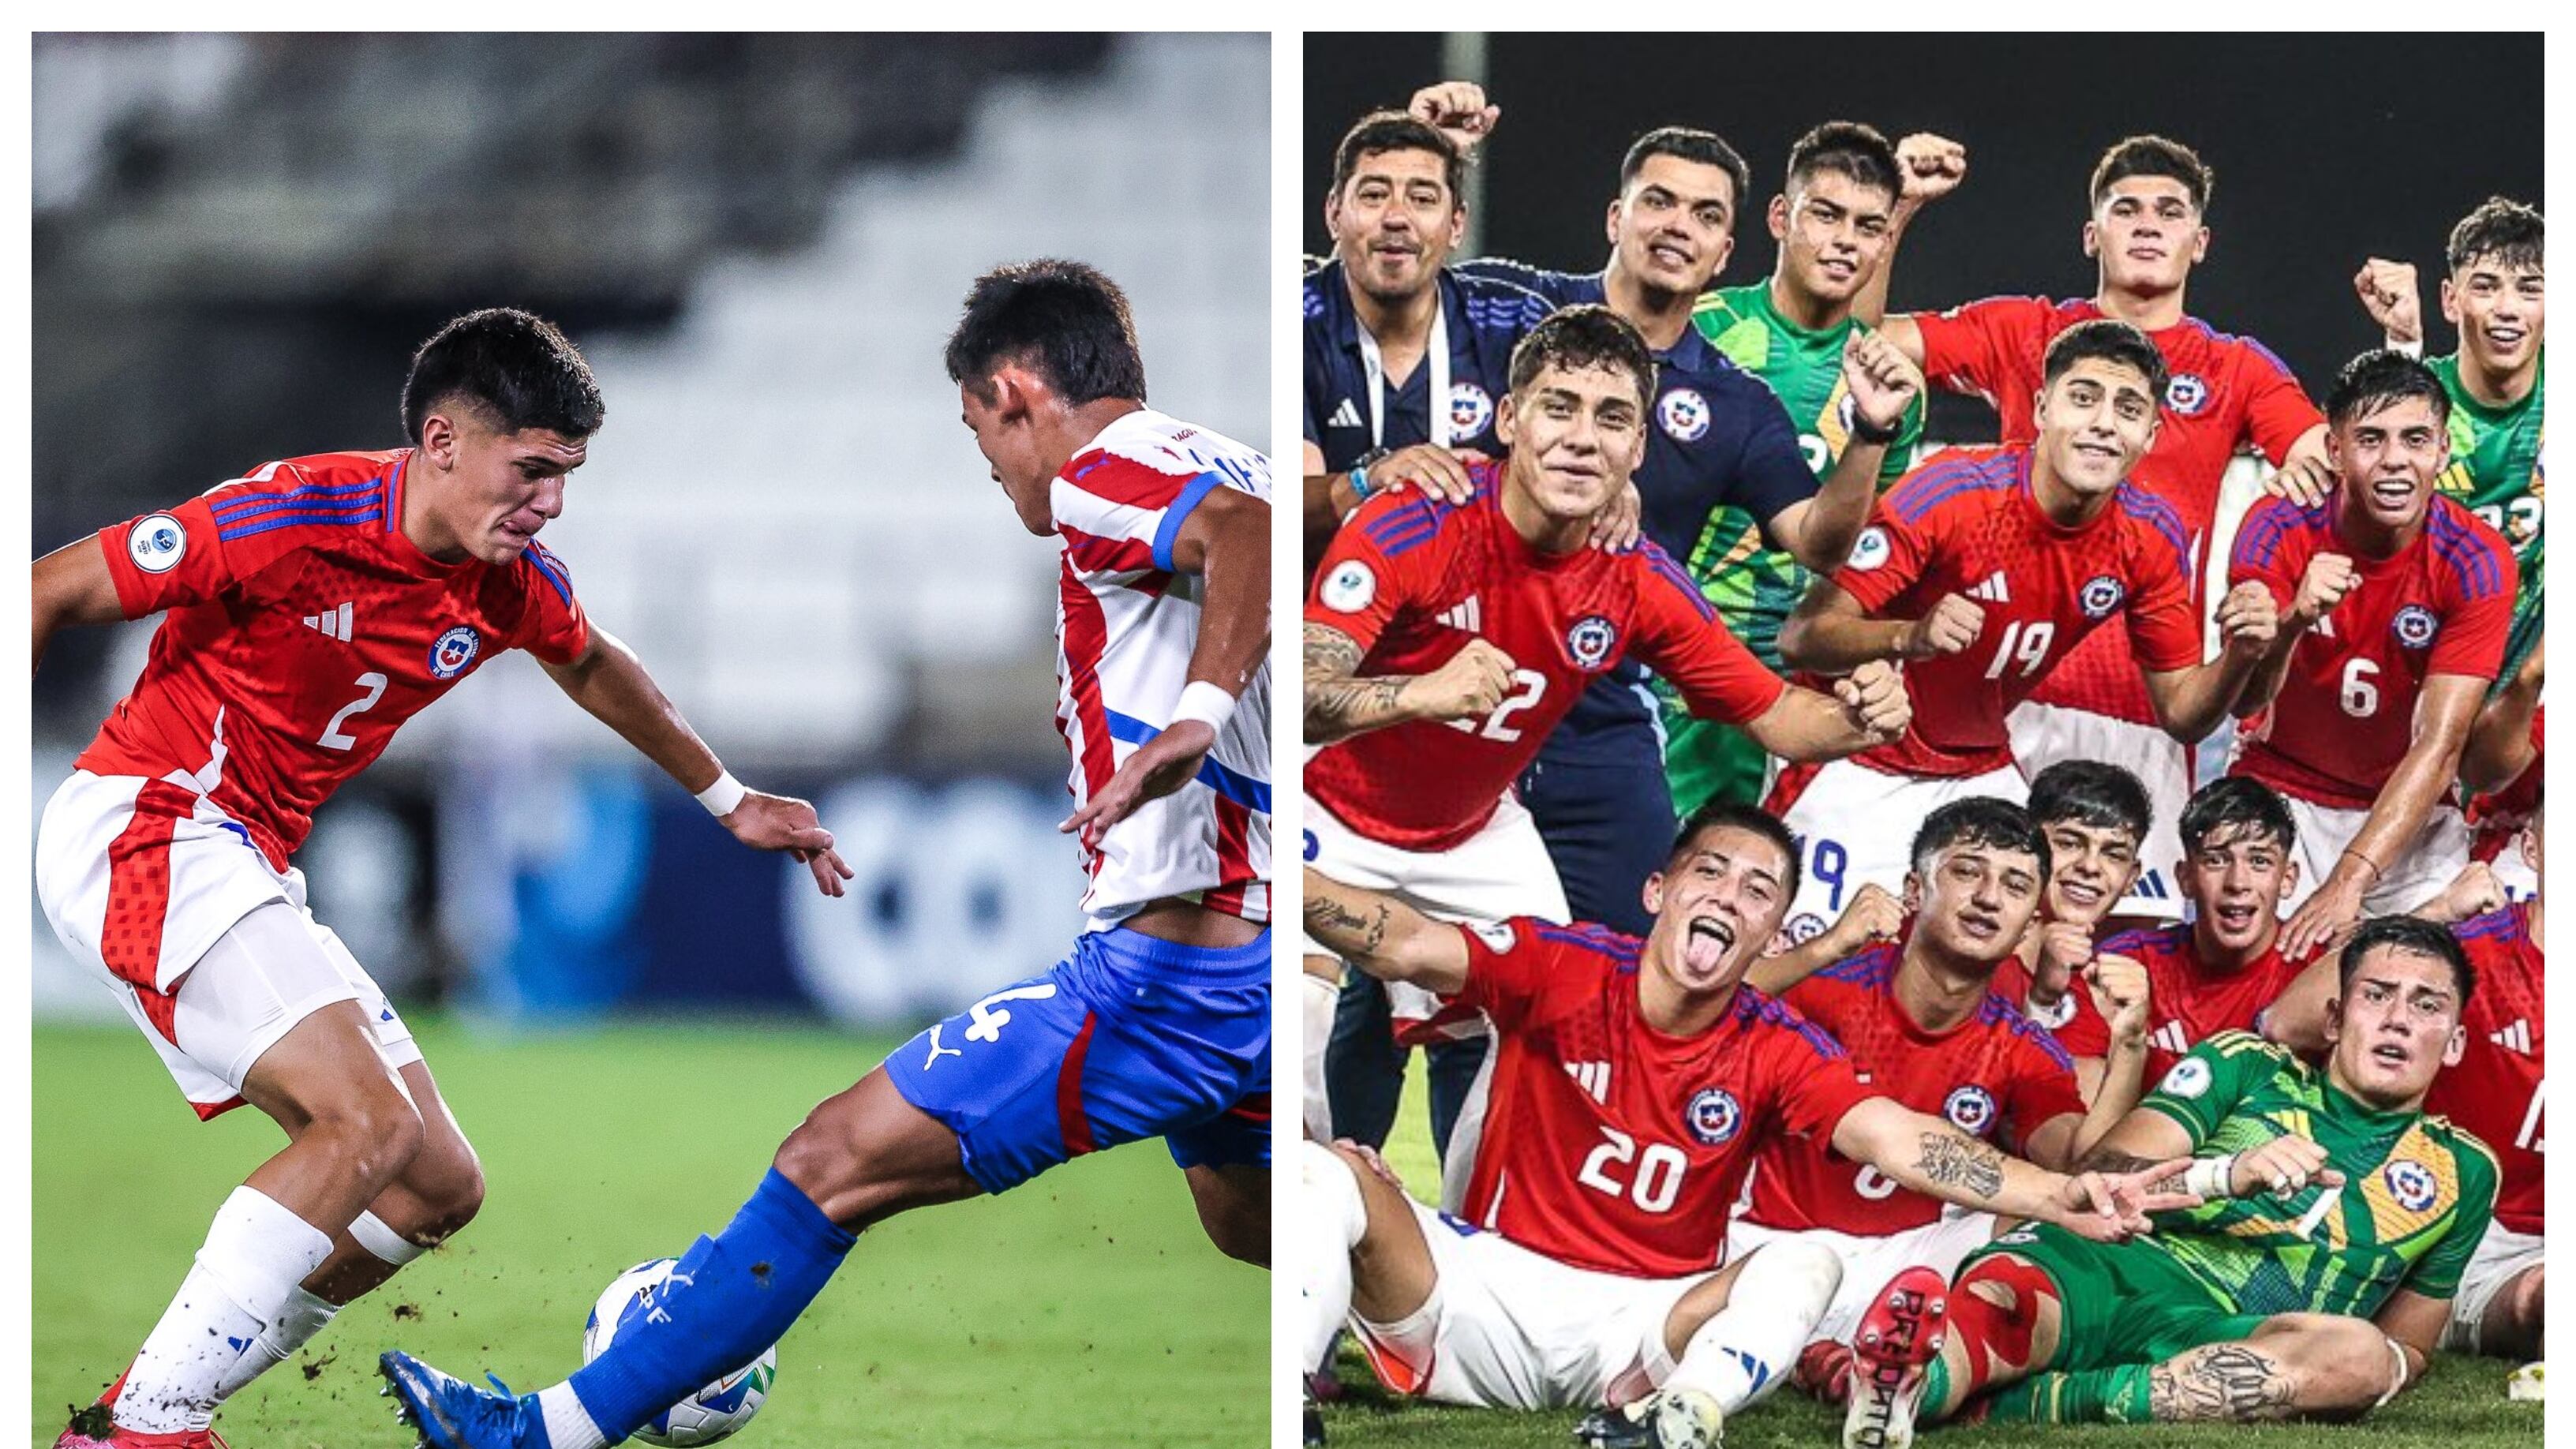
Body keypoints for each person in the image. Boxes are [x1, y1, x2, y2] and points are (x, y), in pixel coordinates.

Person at [382, 261, 1274, 1448]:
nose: (996, 470)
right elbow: (1257, 533)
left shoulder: (1111, 471)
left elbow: (1243, 539)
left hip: (1175, 974)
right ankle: (1453, 1302)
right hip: (1267, 952)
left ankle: (536, 1433)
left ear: (1014, 394)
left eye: (980, 437)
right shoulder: (1232, 455)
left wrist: (1198, 715)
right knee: (1253, 1217)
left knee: (831, 1157)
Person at [31, 309, 850, 1449]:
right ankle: (148, 1428)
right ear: (444, 440)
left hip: (242, 854)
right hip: (147, 822)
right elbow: (47, 591)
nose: (549, 502)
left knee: (431, 1185)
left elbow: (597, 665)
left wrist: (729, 797)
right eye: (532, 469)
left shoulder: (504, 582)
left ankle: (145, 1407)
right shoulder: (289, 515)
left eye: (565, 476)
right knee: (360, 1118)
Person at [1298, 803, 2184, 1449]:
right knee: (1322, 1175)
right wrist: (1274, 866)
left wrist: (2065, 1195)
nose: (1730, 895)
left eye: (1760, 890)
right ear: (1659, 888)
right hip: (1482, 1293)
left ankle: (1682, 1422)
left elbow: (1904, 1139)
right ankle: (1291, 1399)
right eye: (1711, 871)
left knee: (1808, 1260)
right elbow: (1403, 941)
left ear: (1770, 932)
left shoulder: (1781, 1045)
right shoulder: (1558, 962)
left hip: (1645, 1330)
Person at [1302, 304, 1908, 1191]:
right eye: (1559, 407)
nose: (1583, 439)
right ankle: (1313, 1273)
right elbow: (1311, 699)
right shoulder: (1417, 520)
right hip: (1327, 812)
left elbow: (1780, 715)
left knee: (1551, 1034)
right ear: (1509, 421)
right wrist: (1425, 694)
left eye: (1613, 418)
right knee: (1301, 1033)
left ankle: (1470, 1259)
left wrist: (1860, 714)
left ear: (1638, 454)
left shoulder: (1636, 578)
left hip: (1473, 834)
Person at [1413, 81, 1915, 937]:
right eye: (1658, 202)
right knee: (1385, 992)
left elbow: (1819, 546)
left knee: (1623, 960)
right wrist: (1430, 161)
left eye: (1705, 214)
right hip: (1446, 687)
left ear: (1728, 250)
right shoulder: (1508, 313)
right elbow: (1373, 289)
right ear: (1617, 217)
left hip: (1599, 711)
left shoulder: (1737, 401)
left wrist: (1869, 432)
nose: (1678, 226)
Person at [1872, 134, 2331, 918]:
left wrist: (2294, 515)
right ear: (2093, 235)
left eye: (2170, 211)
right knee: (1982, 924)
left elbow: (2326, 466)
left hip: (2150, 708)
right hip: (2006, 702)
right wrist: (1899, 213)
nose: (2148, 225)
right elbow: (1861, 342)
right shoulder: (2028, 331)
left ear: (2200, 240)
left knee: (2128, 940)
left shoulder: (2236, 369)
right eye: (2126, 210)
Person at [1848, 916, 2499, 1442]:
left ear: (2457, 1042)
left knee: (2360, 1357)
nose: (2398, 1020)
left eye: (2428, 1005)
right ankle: (1914, 1385)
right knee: (2009, 1306)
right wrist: (2228, 1173)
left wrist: (2360, 1372)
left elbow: (2407, 1352)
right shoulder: (2245, 1067)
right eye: (2377, 996)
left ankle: (2020, 1402)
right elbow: (2097, 1177)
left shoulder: (2464, 1172)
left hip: (2229, 1338)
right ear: (2334, 1020)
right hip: (2114, 1267)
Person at [1768, 320, 2277, 938]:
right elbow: (1804, 634)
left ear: (2151, 433)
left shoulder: (2150, 537)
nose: (2103, 422)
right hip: (1857, 760)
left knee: (2019, 965)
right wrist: (1911, 636)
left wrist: (2243, 653)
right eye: (2082, 397)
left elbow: (2183, 713)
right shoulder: (1953, 492)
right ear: (2041, 408)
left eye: (2128, 408)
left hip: (1979, 770)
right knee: (1807, 960)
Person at [1728, 799, 2149, 1359]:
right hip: (1769, 1246)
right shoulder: (1826, 989)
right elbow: (1705, 1004)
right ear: (1913, 890)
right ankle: (1849, 1359)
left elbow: (2076, 1169)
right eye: (1967, 871)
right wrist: (1826, 945)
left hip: (1912, 1261)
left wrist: (2131, 1045)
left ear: (2031, 921)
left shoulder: (2023, 1047)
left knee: (2058, 1228)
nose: (1989, 898)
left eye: (2017, 886)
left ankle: (1932, 1362)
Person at [1672, 121, 1939, 815]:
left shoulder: (1894, 387)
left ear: (1886, 243)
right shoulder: (1699, 330)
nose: (1846, 239)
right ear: (1781, 218)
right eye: (1825, 215)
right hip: (1670, 661)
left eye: (1867, 225)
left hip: (1800, 687)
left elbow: (1870, 555)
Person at [2226, 350, 2518, 956]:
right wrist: (2293, 620)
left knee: (2418, 994)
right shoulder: (2277, 524)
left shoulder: (2477, 557)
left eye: (2415, 439)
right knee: (2262, 992)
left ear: (2443, 449)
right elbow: (2245, 698)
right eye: (2370, 439)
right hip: (2282, 791)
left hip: (2410, 814)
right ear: (2334, 452)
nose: (2394, 461)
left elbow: (2441, 747)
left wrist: (2348, 882)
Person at [2269, 807, 2544, 1366]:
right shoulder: (2474, 954)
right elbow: (2286, 1022)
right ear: (2533, 852)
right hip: (2471, 1242)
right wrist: (2435, 913)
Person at [1302, 108, 1553, 567]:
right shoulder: (1299, 321)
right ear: (1334, 214)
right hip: (1331, 602)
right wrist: (1367, 481)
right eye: (1375, 195)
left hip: (1479, 605)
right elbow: (1286, 512)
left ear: (1456, 224)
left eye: (1422, 198)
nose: (1396, 217)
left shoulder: (1516, 323)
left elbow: (1566, 468)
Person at [2354, 197, 2544, 683]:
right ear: (2450, 299)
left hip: (2530, 681)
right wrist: (2402, 342)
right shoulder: (2414, 399)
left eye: (2530, 289)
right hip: (2413, 666)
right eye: (2485, 287)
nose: (2507, 309)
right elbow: (2362, 505)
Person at [2033, 777, 2315, 1084]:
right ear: (2185, 878)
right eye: (2216, 860)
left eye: (2259, 862)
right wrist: (2131, 1042)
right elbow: (2068, 1104)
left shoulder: (2319, 970)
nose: (2238, 883)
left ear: (2288, 879)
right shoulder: (2127, 961)